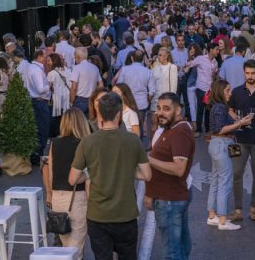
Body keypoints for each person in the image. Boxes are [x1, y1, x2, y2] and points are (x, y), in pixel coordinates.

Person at [69, 92, 152, 260]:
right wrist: (127, 169)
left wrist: (91, 172)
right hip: (126, 214)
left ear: (99, 112)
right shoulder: (133, 140)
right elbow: (147, 174)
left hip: (97, 215)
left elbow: (73, 179)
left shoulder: (88, 142)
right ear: (119, 113)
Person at [144, 92, 195, 259]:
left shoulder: (180, 132)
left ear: (178, 110)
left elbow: (179, 168)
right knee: (179, 246)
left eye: (166, 109)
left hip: (170, 200)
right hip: (168, 198)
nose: (160, 112)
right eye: (158, 108)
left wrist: (149, 160)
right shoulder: (169, 129)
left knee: (172, 252)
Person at [44, 108, 91, 258]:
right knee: (76, 248)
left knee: (65, 247)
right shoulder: (84, 144)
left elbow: (50, 173)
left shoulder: (55, 143)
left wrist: (50, 195)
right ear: (81, 123)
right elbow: (89, 174)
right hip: (77, 198)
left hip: (58, 197)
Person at [207, 80, 251, 231]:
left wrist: (238, 120)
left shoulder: (219, 106)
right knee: (225, 182)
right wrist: (240, 124)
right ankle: (223, 220)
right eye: (227, 90)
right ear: (220, 91)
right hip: (221, 144)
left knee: (215, 180)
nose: (230, 93)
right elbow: (220, 129)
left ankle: (212, 216)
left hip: (218, 144)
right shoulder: (219, 107)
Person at [227, 59, 255, 223]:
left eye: (253, 73)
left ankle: (254, 208)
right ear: (244, 72)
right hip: (238, 139)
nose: (250, 76)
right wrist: (237, 120)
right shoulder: (236, 91)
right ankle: (238, 209)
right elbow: (230, 109)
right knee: (236, 174)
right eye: (247, 73)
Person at [116, 49, 155, 140]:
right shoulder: (148, 71)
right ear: (142, 59)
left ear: (132, 58)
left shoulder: (125, 69)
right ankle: (138, 146)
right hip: (142, 103)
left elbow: (119, 85)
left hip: (127, 102)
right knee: (139, 125)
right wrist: (148, 100)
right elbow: (152, 91)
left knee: (126, 125)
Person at [183, 42, 220, 138]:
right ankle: (198, 129)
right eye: (216, 49)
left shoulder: (215, 62)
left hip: (210, 90)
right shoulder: (200, 59)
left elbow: (215, 76)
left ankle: (208, 130)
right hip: (201, 88)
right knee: (200, 109)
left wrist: (215, 74)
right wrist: (188, 63)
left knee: (209, 110)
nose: (218, 51)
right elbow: (189, 64)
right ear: (210, 50)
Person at [25, 50, 53, 164]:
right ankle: (37, 157)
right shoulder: (36, 70)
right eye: (45, 57)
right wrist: (50, 85)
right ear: (40, 57)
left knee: (41, 129)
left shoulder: (33, 68)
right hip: (40, 102)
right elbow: (40, 89)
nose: (47, 59)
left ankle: (37, 155)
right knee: (43, 129)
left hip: (37, 102)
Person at [69, 47, 103, 115]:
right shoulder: (95, 68)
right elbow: (101, 84)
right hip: (91, 99)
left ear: (78, 57)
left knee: (79, 122)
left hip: (79, 100)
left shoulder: (76, 68)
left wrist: (71, 101)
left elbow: (74, 87)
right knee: (89, 122)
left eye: (75, 57)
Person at [47, 53, 72, 138]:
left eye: (49, 60)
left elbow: (48, 87)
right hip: (67, 98)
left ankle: (58, 135)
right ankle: (66, 133)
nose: (47, 62)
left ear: (54, 61)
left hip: (57, 99)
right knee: (65, 117)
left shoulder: (51, 73)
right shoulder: (68, 70)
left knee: (56, 119)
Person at [150, 47, 178, 112]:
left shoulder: (172, 67)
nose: (158, 57)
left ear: (166, 56)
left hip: (166, 98)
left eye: (160, 55)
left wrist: (171, 99)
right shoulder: (155, 66)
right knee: (154, 120)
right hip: (155, 98)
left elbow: (173, 85)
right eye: (158, 55)